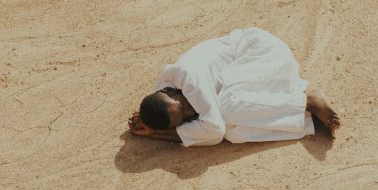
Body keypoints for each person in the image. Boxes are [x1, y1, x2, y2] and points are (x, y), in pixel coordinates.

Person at [128, 27, 340, 146]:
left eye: (182, 106)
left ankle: (307, 101)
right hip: (249, 77)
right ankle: (302, 118)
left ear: (170, 90)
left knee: (226, 110)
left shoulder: (188, 77)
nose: (190, 110)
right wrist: (157, 126)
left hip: (262, 54)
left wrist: (156, 134)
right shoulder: (165, 98)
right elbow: (217, 132)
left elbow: (214, 131)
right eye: (184, 117)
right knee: (234, 133)